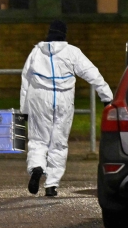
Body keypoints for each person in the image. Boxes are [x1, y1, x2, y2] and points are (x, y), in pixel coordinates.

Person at [20, 20, 113, 197]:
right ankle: (51, 185)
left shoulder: (36, 52)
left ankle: (36, 168)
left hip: (39, 97)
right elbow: (92, 73)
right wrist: (107, 97)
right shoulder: (72, 52)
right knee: (59, 143)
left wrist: (24, 108)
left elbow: (26, 80)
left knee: (38, 140)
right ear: (64, 35)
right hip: (63, 99)